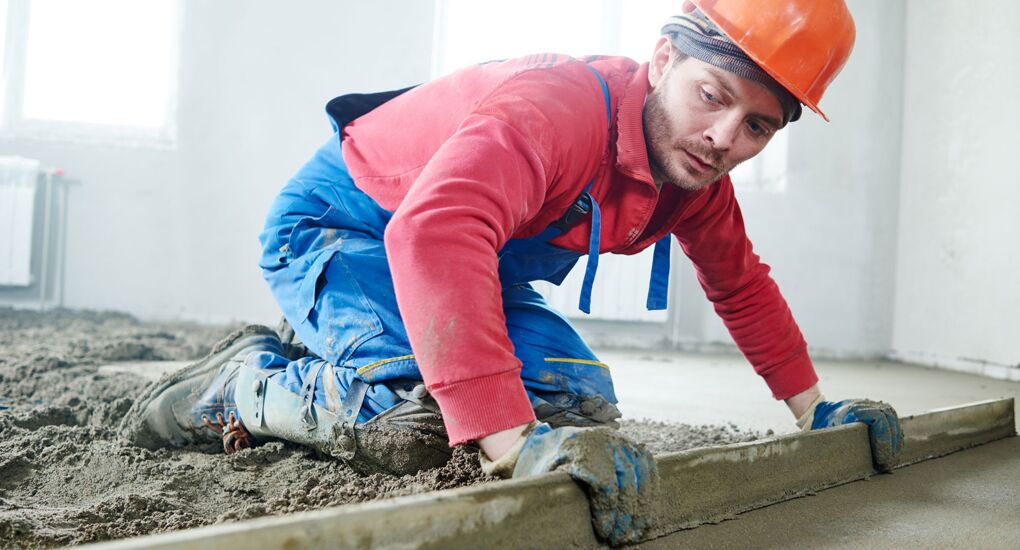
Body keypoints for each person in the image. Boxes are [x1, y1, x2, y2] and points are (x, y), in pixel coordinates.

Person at [122, 0, 902, 545]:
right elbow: (434, 231)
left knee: (575, 405)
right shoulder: (560, 109)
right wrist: (512, 445)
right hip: (346, 229)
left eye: (757, 126)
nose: (724, 138)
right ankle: (242, 383)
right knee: (419, 419)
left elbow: (740, 284)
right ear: (664, 59)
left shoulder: (692, 177)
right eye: (712, 97)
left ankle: (352, 339)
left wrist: (817, 413)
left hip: (457, 258)